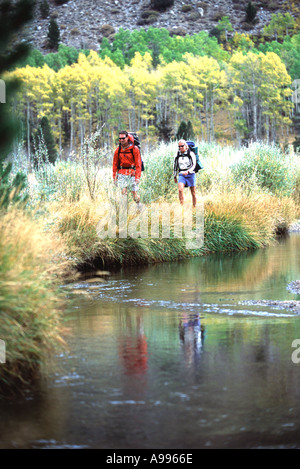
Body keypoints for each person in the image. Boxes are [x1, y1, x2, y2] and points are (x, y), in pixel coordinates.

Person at [112, 130, 142, 208]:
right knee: (123, 193)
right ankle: (125, 211)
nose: (121, 140)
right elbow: (115, 165)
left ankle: (139, 206)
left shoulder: (134, 149)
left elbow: (138, 164)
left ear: (127, 138)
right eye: (120, 138)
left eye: (123, 138)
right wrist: (114, 177)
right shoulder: (118, 150)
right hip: (121, 174)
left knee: (134, 194)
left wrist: (137, 177)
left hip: (132, 173)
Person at [173, 139, 197, 207]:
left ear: (185, 146)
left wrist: (188, 171)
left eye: (182, 146)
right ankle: (182, 207)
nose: (180, 148)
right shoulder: (177, 155)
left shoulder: (191, 154)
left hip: (191, 174)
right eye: (179, 146)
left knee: (193, 192)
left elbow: (194, 165)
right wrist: (175, 176)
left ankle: (194, 206)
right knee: (180, 190)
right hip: (181, 174)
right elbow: (175, 166)